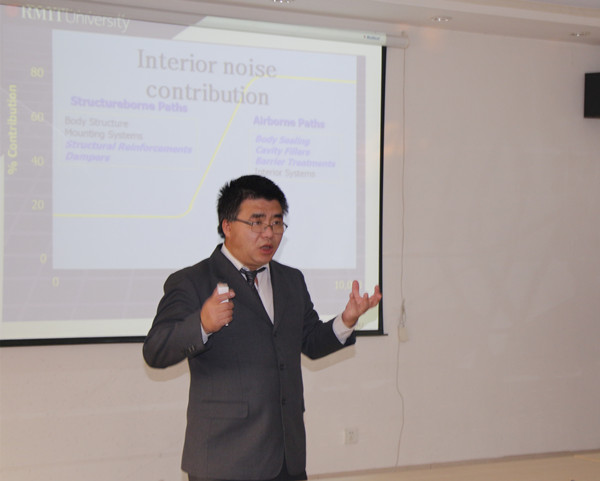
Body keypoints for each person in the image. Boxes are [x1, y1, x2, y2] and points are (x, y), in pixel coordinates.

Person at [143, 174, 381, 481]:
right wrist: (202, 324)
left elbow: (310, 342)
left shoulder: (291, 280)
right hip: (224, 460)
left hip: (286, 458)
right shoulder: (192, 281)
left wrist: (346, 320)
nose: (269, 233)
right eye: (257, 222)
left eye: (277, 223)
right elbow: (156, 350)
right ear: (227, 226)